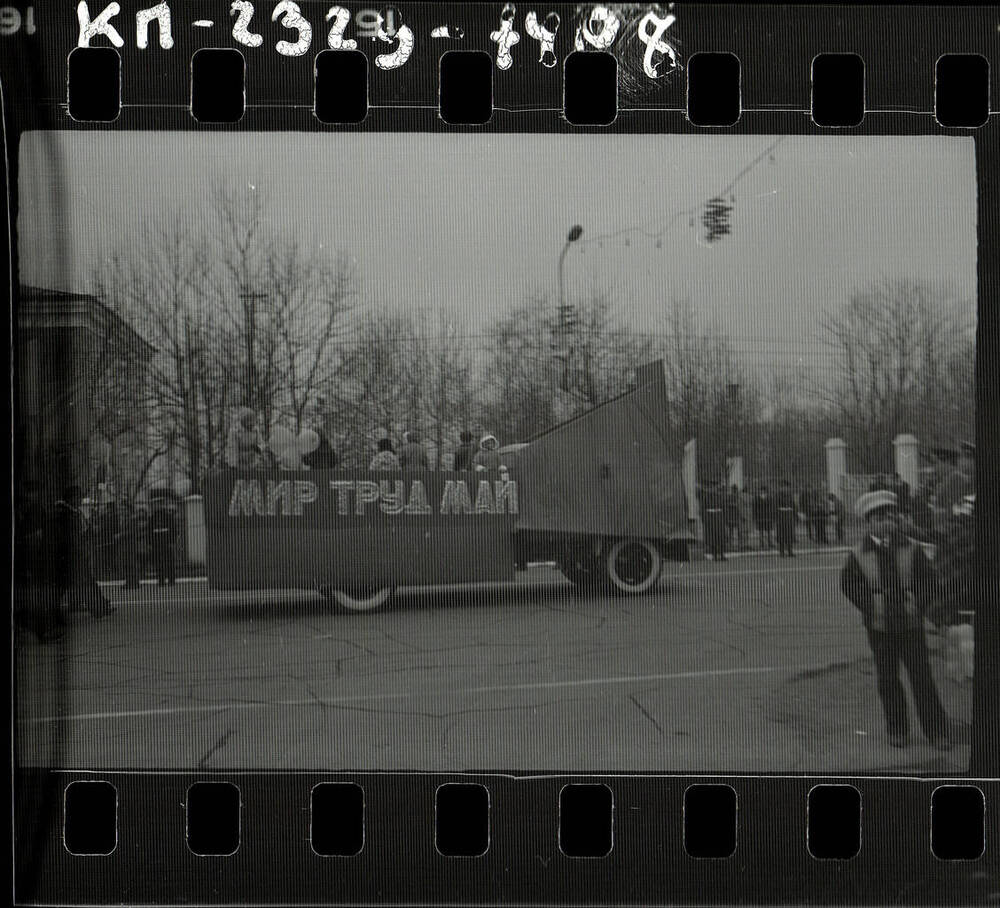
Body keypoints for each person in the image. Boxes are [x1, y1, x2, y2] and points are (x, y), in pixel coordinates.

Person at [840, 490, 951, 750]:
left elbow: (929, 580)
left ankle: (936, 731)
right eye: (879, 518)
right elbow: (849, 584)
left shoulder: (911, 547)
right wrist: (871, 604)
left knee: (922, 677)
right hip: (880, 628)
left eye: (890, 516)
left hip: (910, 625)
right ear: (869, 523)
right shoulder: (858, 554)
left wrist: (917, 603)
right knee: (888, 679)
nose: (886, 522)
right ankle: (898, 729)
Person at [46, 485, 115, 619]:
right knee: (76, 582)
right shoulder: (66, 513)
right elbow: (71, 536)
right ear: (71, 498)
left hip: (73, 553)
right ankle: (97, 606)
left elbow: (83, 531)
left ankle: (99, 606)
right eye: (78, 497)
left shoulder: (73, 512)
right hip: (71, 554)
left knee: (82, 581)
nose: (80, 499)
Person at [933, 442, 974, 527]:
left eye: (967, 458)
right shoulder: (954, 478)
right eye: (962, 457)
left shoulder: (959, 479)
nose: (962, 462)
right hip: (946, 526)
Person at [150, 495, 178, 587]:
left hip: (167, 543)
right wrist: (150, 543)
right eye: (157, 504)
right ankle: (161, 580)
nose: (158, 506)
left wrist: (172, 542)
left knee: (169, 562)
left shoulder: (168, 516)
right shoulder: (153, 517)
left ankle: (171, 580)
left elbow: (174, 530)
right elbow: (149, 531)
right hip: (156, 544)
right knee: (159, 563)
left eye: (160, 504)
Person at [122, 505, 151, 590]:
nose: (123, 511)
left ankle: (133, 583)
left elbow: (131, 532)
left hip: (131, 545)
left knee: (131, 565)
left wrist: (120, 535)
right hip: (128, 545)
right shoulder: (128, 520)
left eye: (124, 509)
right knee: (128, 565)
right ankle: (130, 582)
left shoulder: (131, 520)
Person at [700, 481, 727, 562]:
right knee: (712, 538)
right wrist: (706, 520)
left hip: (719, 519)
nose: (713, 489)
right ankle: (714, 555)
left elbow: (723, 508)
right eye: (711, 488)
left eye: (714, 487)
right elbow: (702, 510)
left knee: (721, 537)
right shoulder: (706, 497)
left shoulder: (720, 497)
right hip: (710, 519)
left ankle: (722, 554)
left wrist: (723, 519)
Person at [775, 479, 796, 557]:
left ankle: (790, 551)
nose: (785, 489)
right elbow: (775, 506)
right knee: (781, 535)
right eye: (783, 487)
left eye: (787, 487)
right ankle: (782, 552)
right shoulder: (778, 495)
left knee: (789, 535)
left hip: (789, 517)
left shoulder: (790, 495)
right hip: (781, 517)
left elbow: (793, 506)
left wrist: (794, 516)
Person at [753, 485, 775, 549]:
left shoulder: (770, 498)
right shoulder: (757, 498)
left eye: (764, 490)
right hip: (760, 517)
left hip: (768, 516)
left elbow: (772, 507)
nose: (763, 491)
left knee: (769, 530)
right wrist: (755, 517)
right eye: (762, 490)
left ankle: (770, 543)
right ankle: (762, 543)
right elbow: (755, 508)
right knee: (761, 531)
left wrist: (772, 516)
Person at [725, 485, 742, 549]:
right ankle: (731, 543)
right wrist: (734, 504)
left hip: (737, 515)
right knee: (731, 530)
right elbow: (727, 504)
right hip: (731, 515)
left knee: (739, 530)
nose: (735, 491)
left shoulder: (739, 496)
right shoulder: (729, 496)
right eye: (734, 490)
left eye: (735, 490)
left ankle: (739, 544)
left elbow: (740, 504)